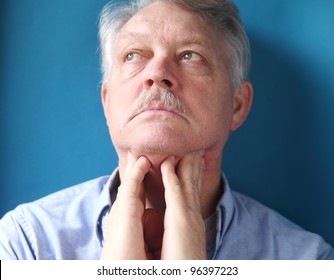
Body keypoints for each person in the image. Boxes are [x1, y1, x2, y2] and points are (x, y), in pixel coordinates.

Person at [0, 0, 333, 260]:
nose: (157, 73)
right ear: (107, 102)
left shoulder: (308, 260)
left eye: (190, 55)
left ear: (237, 105)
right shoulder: (24, 244)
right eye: (133, 55)